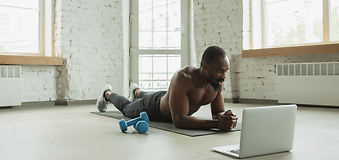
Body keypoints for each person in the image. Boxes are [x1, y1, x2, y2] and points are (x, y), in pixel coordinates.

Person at [97, 46, 238, 131]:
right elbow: (179, 120)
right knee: (127, 108)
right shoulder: (183, 77)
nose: (224, 76)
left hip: (171, 99)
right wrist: (216, 124)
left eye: (226, 71)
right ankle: (107, 94)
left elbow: (218, 112)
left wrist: (226, 119)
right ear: (205, 66)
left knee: (159, 97)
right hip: (155, 107)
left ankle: (136, 91)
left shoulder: (216, 82)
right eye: (220, 71)